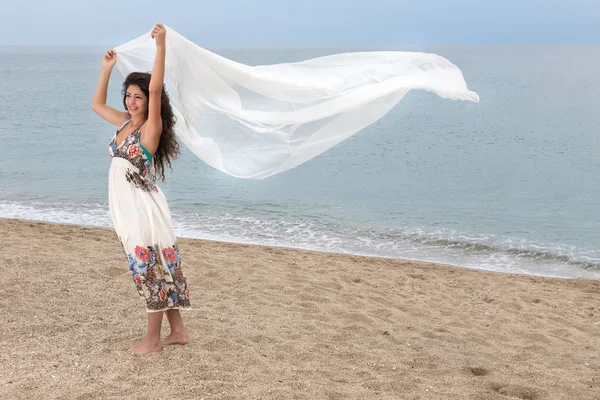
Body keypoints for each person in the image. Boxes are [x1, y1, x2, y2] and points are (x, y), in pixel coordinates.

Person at [92, 23, 191, 355]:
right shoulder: (123, 123)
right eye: (129, 95)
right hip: (126, 205)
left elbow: (157, 84)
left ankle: (153, 339)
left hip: (141, 206)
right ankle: (177, 331)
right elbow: (96, 105)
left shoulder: (151, 128)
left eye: (139, 96)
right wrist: (105, 69)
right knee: (157, 264)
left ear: (150, 99)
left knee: (147, 267)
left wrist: (160, 47)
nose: (132, 101)